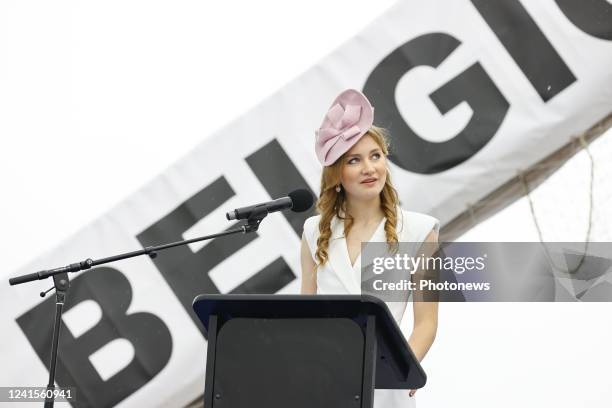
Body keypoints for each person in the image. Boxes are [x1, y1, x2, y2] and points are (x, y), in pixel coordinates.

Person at [300, 89, 439, 407]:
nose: (369, 168)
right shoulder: (313, 232)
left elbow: (426, 322)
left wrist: (403, 370)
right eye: (354, 160)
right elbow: (303, 316)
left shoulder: (420, 231)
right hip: (326, 381)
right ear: (336, 174)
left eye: (375, 156)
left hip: (387, 384)